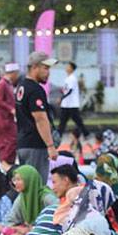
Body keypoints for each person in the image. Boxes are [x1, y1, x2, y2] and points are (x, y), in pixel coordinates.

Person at [16, 52, 59, 183]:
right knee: (36, 186)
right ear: (34, 67)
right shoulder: (35, 89)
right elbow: (40, 119)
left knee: (26, 186)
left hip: (23, 142)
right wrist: (50, 146)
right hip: (35, 145)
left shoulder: (22, 86)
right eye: (45, 68)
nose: (48, 72)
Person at [57, 62, 89, 142]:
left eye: (68, 66)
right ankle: (58, 135)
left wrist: (61, 98)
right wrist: (62, 92)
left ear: (71, 68)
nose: (66, 67)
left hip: (72, 104)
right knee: (62, 121)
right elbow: (66, 90)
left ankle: (86, 133)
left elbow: (70, 91)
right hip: (66, 104)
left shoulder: (72, 78)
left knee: (77, 120)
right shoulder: (67, 78)